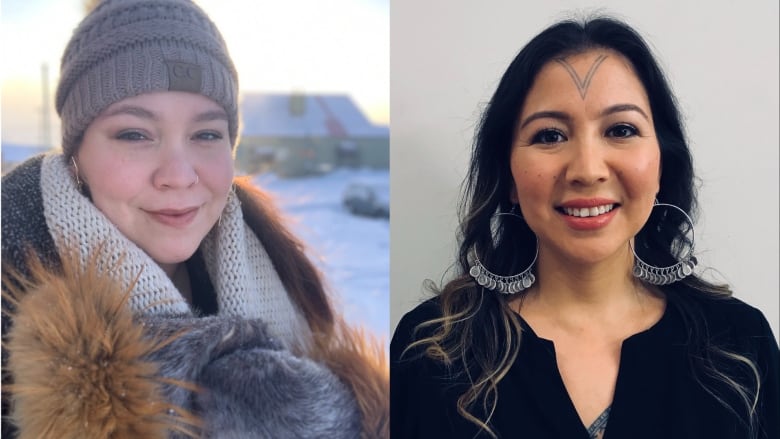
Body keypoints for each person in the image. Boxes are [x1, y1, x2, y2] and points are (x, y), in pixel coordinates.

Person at [1, 0, 387, 437]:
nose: (180, 176)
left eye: (206, 134)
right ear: (77, 155)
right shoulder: (8, 324)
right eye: (134, 134)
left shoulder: (282, 273)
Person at [391, 16, 779, 439]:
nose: (587, 170)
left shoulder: (740, 346)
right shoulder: (432, 351)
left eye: (621, 130)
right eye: (550, 136)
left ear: (662, 164)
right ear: (510, 177)